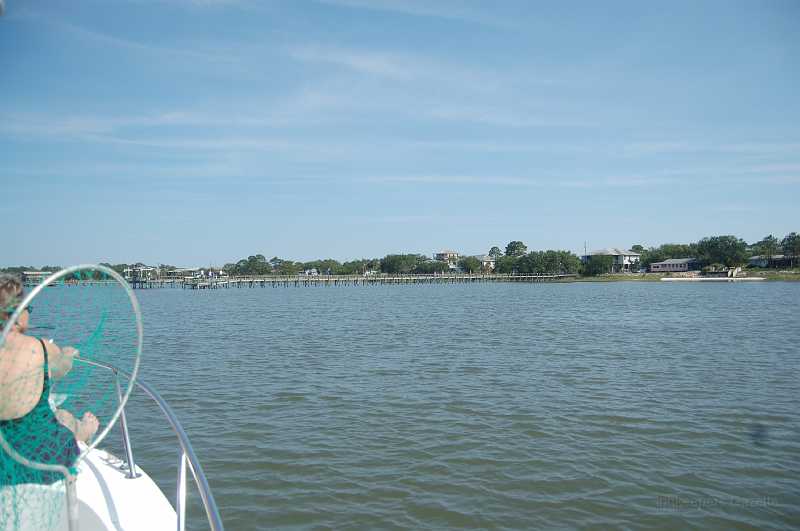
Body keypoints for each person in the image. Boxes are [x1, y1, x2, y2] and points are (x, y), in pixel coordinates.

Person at [0, 274, 98, 485]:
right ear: (17, 314)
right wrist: (68, 354)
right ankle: (86, 430)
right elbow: (61, 370)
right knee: (62, 417)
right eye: (29, 309)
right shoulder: (41, 347)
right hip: (39, 459)